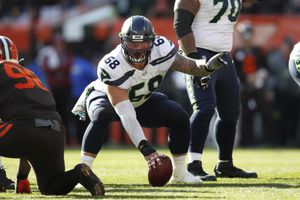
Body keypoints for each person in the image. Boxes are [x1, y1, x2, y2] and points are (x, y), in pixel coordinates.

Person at [72, 15, 226, 184]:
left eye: (143, 42)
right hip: (106, 98)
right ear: (122, 41)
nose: (138, 48)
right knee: (102, 114)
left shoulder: (162, 49)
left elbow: (188, 65)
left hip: (140, 100)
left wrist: (206, 67)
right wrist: (146, 149)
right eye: (132, 42)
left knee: (179, 116)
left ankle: (180, 174)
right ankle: (83, 174)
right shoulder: (112, 65)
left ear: (152, 41)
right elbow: (126, 114)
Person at [0, 35, 104, 196]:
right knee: (51, 186)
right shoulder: (29, 73)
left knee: (22, 125)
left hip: (23, 129)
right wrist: (22, 177)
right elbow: (28, 131)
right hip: (55, 133)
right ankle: (78, 173)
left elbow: (24, 127)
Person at [173, 0, 259, 181]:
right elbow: (180, 23)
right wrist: (194, 60)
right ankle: (192, 164)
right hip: (199, 52)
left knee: (230, 113)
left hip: (223, 55)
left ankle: (225, 164)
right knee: (205, 108)